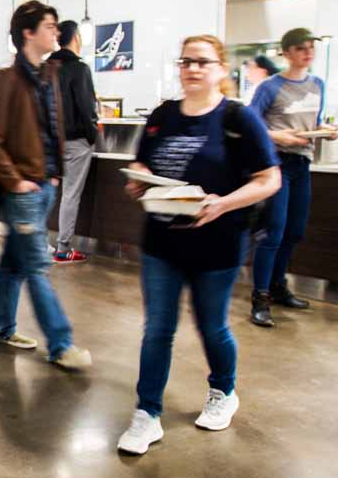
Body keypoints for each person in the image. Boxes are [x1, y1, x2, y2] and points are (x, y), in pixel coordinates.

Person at [116, 35, 281, 455]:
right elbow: (143, 161)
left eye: (202, 62)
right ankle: (147, 413)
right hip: (161, 243)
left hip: (216, 245)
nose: (192, 68)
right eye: (186, 60)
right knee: (157, 329)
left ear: (221, 70)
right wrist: (140, 177)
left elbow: (269, 179)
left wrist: (224, 203)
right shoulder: (162, 116)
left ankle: (223, 391)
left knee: (212, 326)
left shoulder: (238, 119)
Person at [0, 0, 92, 370]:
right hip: (24, 190)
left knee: (14, 263)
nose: (55, 32)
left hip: (45, 184)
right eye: (49, 26)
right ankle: (61, 344)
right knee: (37, 265)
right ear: (28, 33)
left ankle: (0, 327)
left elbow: (52, 127)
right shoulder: (6, 81)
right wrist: (16, 182)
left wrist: (55, 172)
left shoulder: (49, 76)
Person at [248, 28, 338, 328]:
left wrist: (325, 130)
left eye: (310, 48)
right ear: (286, 53)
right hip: (276, 163)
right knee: (273, 230)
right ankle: (260, 298)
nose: (307, 53)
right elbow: (251, 125)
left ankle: (278, 285)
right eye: (300, 48)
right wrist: (280, 136)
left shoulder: (318, 85)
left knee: (295, 230)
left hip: (302, 162)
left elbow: (315, 120)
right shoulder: (270, 87)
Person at [48, 20, 99, 264]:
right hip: (75, 140)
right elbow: (87, 107)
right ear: (76, 37)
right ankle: (63, 248)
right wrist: (92, 136)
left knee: (47, 191)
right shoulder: (79, 68)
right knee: (71, 194)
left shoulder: (46, 67)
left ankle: (39, 243)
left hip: (49, 142)